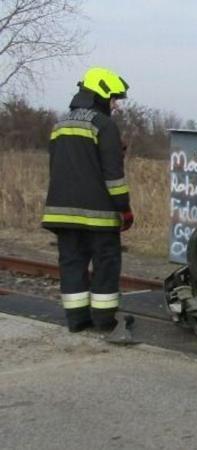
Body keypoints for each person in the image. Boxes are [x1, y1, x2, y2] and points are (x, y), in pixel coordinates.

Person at [42, 67, 133, 332]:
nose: (115, 105)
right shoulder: (104, 125)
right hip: (98, 215)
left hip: (60, 212)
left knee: (71, 264)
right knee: (106, 263)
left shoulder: (60, 124)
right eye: (114, 98)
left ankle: (77, 320)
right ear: (102, 93)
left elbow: (57, 168)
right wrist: (124, 210)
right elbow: (113, 177)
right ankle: (104, 321)